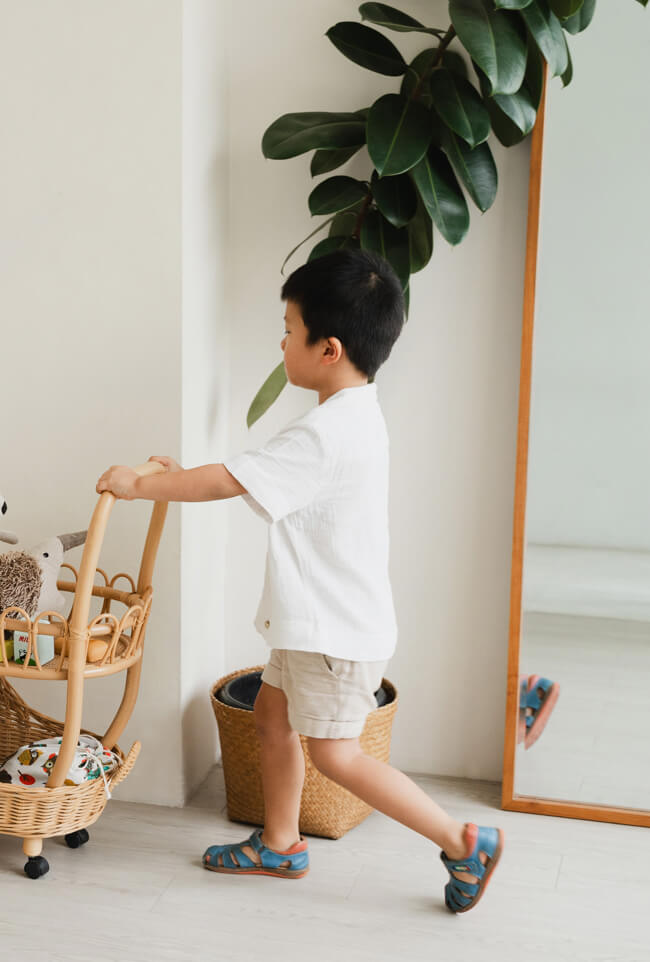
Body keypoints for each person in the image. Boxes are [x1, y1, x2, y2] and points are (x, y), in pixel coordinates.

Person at [96, 248, 503, 914]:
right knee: (272, 713)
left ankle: (461, 839)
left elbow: (230, 478)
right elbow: (253, 473)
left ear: (328, 348)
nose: (281, 341)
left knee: (338, 755)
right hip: (320, 623)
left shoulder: (323, 435)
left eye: (288, 328)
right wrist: (166, 476)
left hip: (333, 633)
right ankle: (281, 844)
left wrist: (142, 485)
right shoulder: (355, 414)